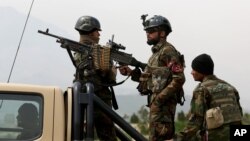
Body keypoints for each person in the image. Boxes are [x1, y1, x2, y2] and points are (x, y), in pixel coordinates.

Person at [119, 15, 186, 141]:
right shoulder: (156, 54)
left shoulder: (168, 51)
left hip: (163, 109)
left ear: (162, 33)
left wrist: (159, 100)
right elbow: (151, 79)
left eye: (151, 31)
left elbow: (179, 79)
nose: (147, 34)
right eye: (146, 31)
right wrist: (131, 72)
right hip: (157, 108)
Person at [175, 53, 243, 141]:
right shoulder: (230, 87)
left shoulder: (201, 89)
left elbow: (195, 123)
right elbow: (239, 114)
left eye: (194, 69)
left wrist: (176, 139)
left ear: (201, 71)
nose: (191, 72)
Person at [73, 15, 117, 141]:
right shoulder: (92, 52)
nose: (99, 34)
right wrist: (112, 71)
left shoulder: (81, 52)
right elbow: (108, 78)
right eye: (97, 31)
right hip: (100, 100)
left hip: (84, 98)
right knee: (108, 136)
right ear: (91, 31)